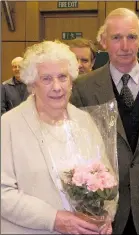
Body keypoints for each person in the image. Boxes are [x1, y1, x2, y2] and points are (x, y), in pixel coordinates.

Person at [70, 8, 139, 235]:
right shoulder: (83, 87)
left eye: (131, 37)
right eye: (116, 37)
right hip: (104, 205)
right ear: (103, 42)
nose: (125, 45)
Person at [1, 40, 114, 234]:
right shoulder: (9, 124)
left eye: (63, 77)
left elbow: (106, 177)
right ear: (31, 84)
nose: (57, 87)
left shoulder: (84, 120)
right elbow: (3, 193)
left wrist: (105, 215)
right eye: (46, 79)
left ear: (71, 80)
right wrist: (53, 219)